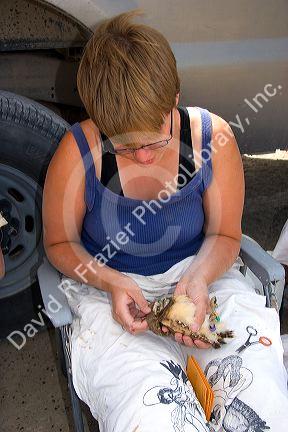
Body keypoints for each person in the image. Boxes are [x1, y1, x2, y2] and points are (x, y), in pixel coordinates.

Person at [42, 11, 288, 432]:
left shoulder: (213, 138)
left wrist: (198, 279)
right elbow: (60, 245)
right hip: (110, 291)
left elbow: (225, 235)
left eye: (155, 137)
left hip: (203, 278)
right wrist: (112, 282)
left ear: (174, 96)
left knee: (257, 398)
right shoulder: (78, 151)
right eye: (124, 143)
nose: (142, 156)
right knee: (154, 415)